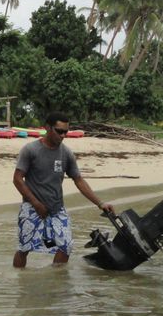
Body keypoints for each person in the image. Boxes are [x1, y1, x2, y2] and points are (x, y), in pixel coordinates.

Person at [12, 110, 113, 268]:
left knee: (65, 246)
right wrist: (36, 204)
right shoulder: (30, 150)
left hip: (57, 209)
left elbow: (78, 180)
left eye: (66, 132)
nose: (63, 135)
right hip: (32, 208)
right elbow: (17, 179)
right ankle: (19, 279)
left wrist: (100, 203)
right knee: (24, 248)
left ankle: (55, 281)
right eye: (59, 131)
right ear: (47, 128)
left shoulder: (66, 153)